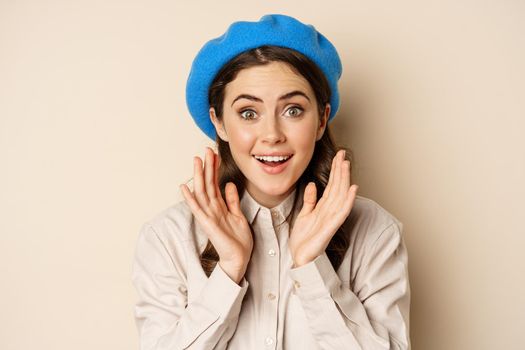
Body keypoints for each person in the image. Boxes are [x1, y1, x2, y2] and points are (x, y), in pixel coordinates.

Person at [131, 14, 411, 350]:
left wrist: (312, 267)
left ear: (321, 120)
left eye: (293, 110)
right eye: (248, 113)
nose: (272, 136)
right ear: (218, 122)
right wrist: (229, 271)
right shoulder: (168, 238)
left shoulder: (375, 232)